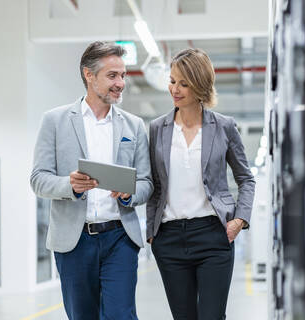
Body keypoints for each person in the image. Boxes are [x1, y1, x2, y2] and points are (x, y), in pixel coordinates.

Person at [30, 41, 153, 320]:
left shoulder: (133, 125)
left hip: (119, 237)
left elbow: (146, 182)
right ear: (89, 75)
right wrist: (69, 186)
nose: (120, 83)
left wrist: (129, 193)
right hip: (74, 242)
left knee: (122, 315)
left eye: (123, 75)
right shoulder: (55, 121)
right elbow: (38, 179)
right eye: (112, 76)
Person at [146, 48, 255, 320]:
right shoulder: (157, 129)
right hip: (169, 238)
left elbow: (245, 178)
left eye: (184, 83)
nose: (175, 89)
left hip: (213, 235)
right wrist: (152, 231)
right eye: (172, 81)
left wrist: (239, 219)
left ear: (201, 85)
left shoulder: (224, 127)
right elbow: (154, 184)